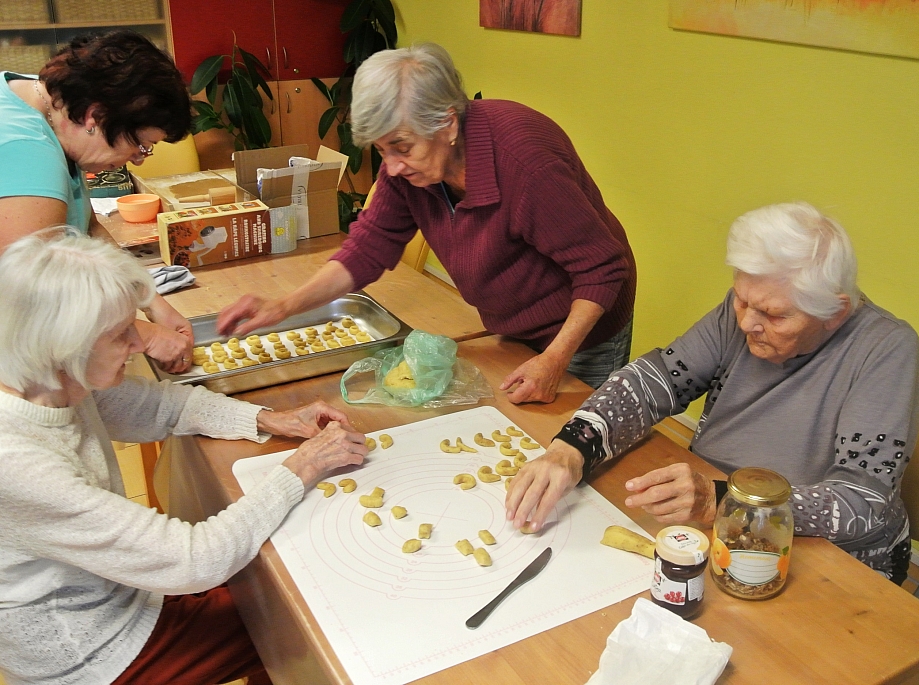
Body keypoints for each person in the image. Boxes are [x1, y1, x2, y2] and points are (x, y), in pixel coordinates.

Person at [0, 230, 369, 685]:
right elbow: (192, 560)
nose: (140, 343)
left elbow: (158, 406)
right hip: (93, 653)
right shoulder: (17, 461)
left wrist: (272, 419)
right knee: (298, 622)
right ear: (64, 348)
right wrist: (304, 465)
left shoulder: (49, 381)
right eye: (120, 335)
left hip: (125, 591)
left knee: (270, 583)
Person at [506, 202, 919, 584]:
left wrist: (725, 502)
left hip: (816, 548)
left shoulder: (886, 349)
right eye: (741, 301)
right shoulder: (748, 308)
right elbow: (655, 380)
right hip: (714, 518)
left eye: (774, 315)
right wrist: (572, 448)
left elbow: (863, 502)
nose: (747, 324)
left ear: (835, 312)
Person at [218, 43, 636, 403]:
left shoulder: (524, 162)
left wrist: (555, 358)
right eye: (382, 150)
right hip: (513, 323)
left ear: (447, 123)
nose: (392, 167)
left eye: (401, 147)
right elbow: (369, 246)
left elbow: (601, 268)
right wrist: (284, 307)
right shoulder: (410, 166)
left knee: (577, 442)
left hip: (581, 327)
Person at [0, 30, 196, 374]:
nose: (139, 160)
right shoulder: (26, 149)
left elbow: (88, 229)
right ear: (95, 117)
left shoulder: (53, 106)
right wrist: (142, 335)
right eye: (141, 145)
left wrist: (150, 300)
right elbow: (34, 294)